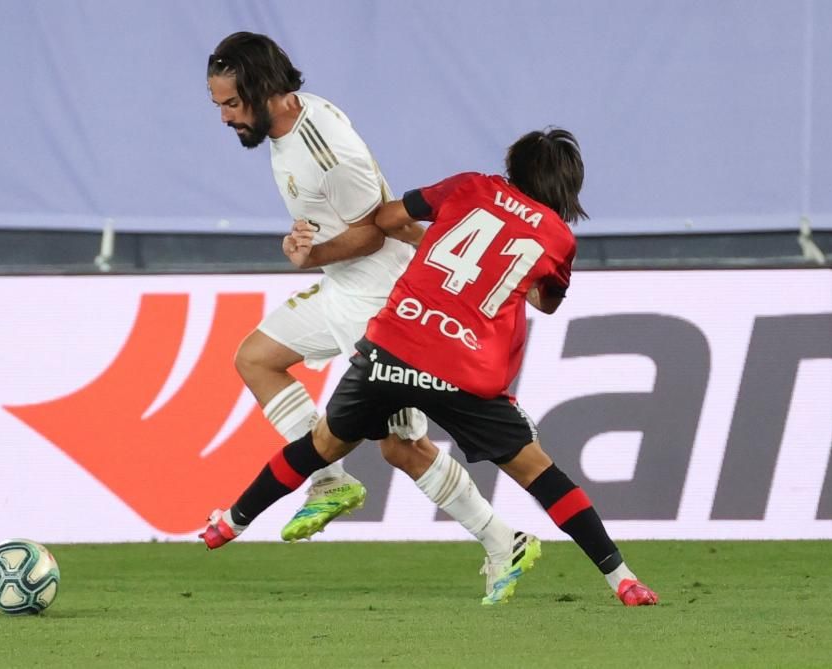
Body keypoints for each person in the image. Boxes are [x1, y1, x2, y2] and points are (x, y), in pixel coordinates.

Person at [201, 127, 660, 607]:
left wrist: (434, 237)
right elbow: (545, 302)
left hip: (395, 345)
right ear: (569, 189)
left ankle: (230, 522)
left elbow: (387, 216)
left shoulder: (471, 186)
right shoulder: (559, 238)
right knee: (537, 472)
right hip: (467, 368)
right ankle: (623, 579)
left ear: (513, 166)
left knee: (323, 445)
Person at [207, 32, 539, 605]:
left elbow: (376, 229)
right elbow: (337, 227)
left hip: (383, 303)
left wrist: (310, 254)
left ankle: (502, 539)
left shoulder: (329, 149)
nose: (225, 117)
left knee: (402, 448)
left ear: (264, 92)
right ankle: (330, 479)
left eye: (231, 104)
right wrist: (307, 244)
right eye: (219, 106)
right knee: (256, 357)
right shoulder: (285, 127)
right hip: (342, 289)